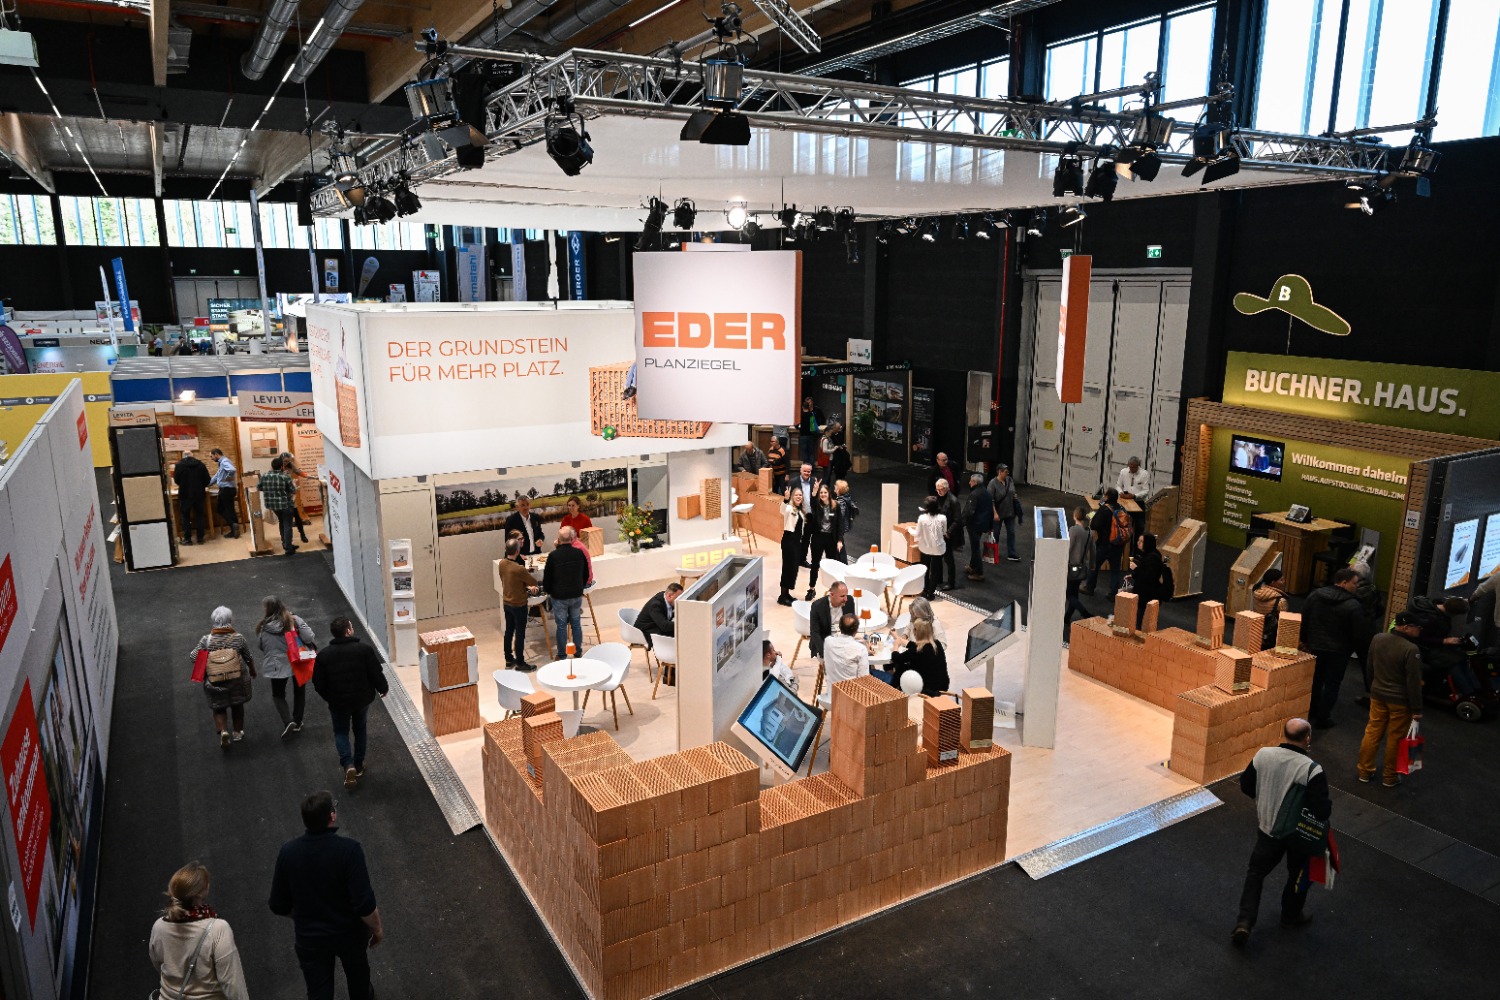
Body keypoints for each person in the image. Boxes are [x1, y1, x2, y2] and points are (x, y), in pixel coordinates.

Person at [269, 791, 383, 1000]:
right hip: (349, 935)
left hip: (310, 938)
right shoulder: (349, 850)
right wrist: (377, 929)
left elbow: (277, 904)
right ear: (332, 816)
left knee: (319, 991)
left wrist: (303, 916)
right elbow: (364, 905)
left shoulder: (289, 852)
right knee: (359, 981)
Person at [1232, 718, 1330, 947]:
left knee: (1255, 874)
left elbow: (1246, 786)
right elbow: (1321, 809)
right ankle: (1290, 916)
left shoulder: (1263, 755)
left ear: (1284, 734)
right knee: (1298, 874)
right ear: (1307, 738)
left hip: (1266, 830)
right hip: (1299, 837)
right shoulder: (1311, 770)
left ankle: (1244, 922)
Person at [149, 861, 249, 1000]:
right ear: (201, 892)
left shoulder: (159, 926)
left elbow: (159, 964)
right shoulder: (218, 929)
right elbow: (232, 984)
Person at [311, 617, 389, 790]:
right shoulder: (364, 650)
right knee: (360, 729)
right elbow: (376, 672)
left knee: (340, 732)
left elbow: (317, 682)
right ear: (348, 631)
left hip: (338, 703)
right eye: (351, 627)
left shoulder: (324, 655)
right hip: (361, 700)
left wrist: (329, 697)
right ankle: (359, 764)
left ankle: (348, 764)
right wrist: (383, 688)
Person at [1357, 612, 1424, 787]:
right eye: (1418, 627)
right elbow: (1413, 682)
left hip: (1377, 694)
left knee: (1372, 731)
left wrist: (1372, 687)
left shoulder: (1378, 638)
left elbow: (1369, 666)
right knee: (1395, 738)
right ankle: (1390, 776)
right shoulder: (1411, 649)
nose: (1419, 631)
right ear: (1406, 627)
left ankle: (1364, 771)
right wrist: (1417, 709)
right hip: (1400, 701)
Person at [1301, 567, 1368, 728]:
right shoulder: (1353, 605)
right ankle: (1323, 718)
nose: (1356, 587)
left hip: (1315, 646)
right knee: (1332, 684)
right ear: (1344, 583)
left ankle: (1311, 711)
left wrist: (1304, 640)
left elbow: (1305, 618)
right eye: (1354, 583)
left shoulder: (1315, 595)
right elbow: (1358, 633)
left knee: (1315, 680)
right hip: (1339, 651)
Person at [191, 607, 256, 749]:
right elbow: (248, 657)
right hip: (237, 679)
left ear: (213, 622)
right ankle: (238, 732)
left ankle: (224, 731)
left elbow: (193, 657)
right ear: (230, 621)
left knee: (219, 707)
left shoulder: (206, 641)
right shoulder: (238, 638)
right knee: (237, 705)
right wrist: (252, 670)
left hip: (215, 680)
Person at [258, 596, 317, 739]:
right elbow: (309, 638)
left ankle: (287, 721)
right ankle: (297, 722)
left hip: (276, 664)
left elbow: (262, 646)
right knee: (299, 691)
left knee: (278, 694)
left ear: (267, 609)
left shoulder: (264, 626)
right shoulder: (295, 620)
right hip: (297, 660)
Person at [542, 526, 589, 655]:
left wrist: (549, 591)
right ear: (572, 538)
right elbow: (585, 573)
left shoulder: (553, 556)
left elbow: (547, 578)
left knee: (561, 626)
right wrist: (580, 587)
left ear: (559, 539)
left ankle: (562, 654)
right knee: (576, 624)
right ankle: (578, 651)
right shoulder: (579, 553)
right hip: (576, 594)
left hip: (559, 596)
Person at [497, 539, 540, 668]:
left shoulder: (502, 564)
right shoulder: (519, 569)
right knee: (520, 633)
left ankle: (509, 658)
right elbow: (533, 581)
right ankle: (521, 662)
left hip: (507, 602)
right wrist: (529, 586)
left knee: (509, 631)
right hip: (519, 604)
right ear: (517, 551)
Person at [1086, 489, 1130, 599]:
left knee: (1094, 565)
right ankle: (1113, 593)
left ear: (1107, 497)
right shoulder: (1122, 509)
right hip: (1118, 544)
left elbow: (1094, 526)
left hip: (1104, 544)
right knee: (1115, 570)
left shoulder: (1104, 510)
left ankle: (1089, 588)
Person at [805, 483, 846, 598]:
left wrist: (839, 540)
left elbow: (840, 524)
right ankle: (811, 589)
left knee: (832, 565)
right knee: (815, 564)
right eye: (821, 493)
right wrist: (814, 490)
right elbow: (812, 501)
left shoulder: (835, 506)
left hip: (831, 539)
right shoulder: (817, 505)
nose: (823, 494)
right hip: (818, 537)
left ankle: (833, 590)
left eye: (825, 493)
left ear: (829, 494)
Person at [890, 618, 949, 696]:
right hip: (942, 685)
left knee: (899, 667)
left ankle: (892, 692)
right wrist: (898, 638)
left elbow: (896, 658)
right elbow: (915, 645)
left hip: (926, 688)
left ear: (915, 632)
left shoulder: (917, 651)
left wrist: (895, 646)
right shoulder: (936, 644)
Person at [1129, 533, 1173, 628]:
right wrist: (1133, 576)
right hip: (1146, 594)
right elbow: (1144, 572)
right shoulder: (1149, 554)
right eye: (1138, 540)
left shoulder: (1152, 558)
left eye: (1141, 541)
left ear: (1147, 543)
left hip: (1147, 595)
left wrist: (1136, 569)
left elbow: (1149, 577)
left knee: (1142, 620)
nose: (1138, 543)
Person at [1064, 505, 1094, 642]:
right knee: (1074, 593)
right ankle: (1067, 618)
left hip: (1071, 568)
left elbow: (1067, 548)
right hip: (1082, 568)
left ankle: (1085, 613)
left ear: (1075, 516)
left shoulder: (1074, 530)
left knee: (1068, 594)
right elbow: (1093, 551)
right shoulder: (1090, 532)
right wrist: (1092, 566)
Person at [909, 496, 947, 600]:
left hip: (925, 548)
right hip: (938, 549)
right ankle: (931, 593)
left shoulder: (922, 518)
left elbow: (916, 533)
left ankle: (925, 590)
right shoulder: (943, 518)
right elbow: (944, 532)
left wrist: (909, 529)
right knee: (935, 572)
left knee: (925, 569)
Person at [259, 458, 299, 556]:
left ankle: (285, 544)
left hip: (273, 506)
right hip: (286, 505)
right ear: (282, 467)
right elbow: (293, 490)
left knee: (282, 522)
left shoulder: (265, 476)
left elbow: (259, 487)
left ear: (272, 466)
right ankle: (288, 548)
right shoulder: (285, 477)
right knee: (287, 525)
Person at [808, 582, 856, 662]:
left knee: (863, 655)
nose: (845, 599)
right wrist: (825, 653)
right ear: (832, 595)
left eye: (846, 595)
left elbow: (851, 625)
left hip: (844, 641)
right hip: (825, 643)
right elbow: (815, 632)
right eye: (842, 596)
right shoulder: (817, 606)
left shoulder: (849, 601)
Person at [822, 613, 871, 689]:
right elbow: (864, 680)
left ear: (840, 627)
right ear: (856, 630)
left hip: (832, 692)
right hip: (851, 696)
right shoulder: (861, 649)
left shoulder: (828, 641)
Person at [174, 450, 212, 546]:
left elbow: (176, 480)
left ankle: (187, 539)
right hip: (199, 494)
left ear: (183, 456)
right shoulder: (201, 465)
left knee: (185, 516)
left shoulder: (179, 465)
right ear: (193, 455)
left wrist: (183, 484)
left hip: (185, 494)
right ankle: (200, 538)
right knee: (199, 515)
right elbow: (207, 480)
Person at [985, 464, 1021, 562]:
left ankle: (1011, 553)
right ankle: (992, 553)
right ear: (999, 472)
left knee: (1011, 532)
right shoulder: (993, 483)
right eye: (1005, 472)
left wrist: (1014, 496)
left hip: (1010, 512)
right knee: (996, 533)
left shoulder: (1009, 480)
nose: (1007, 473)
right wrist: (995, 513)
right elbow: (990, 500)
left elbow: (1013, 491)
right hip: (998, 514)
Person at [963, 473, 994, 582]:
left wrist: (961, 523)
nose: (969, 483)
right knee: (975, 545)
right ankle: (972, 566)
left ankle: (979, 572)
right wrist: (990, 526)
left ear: (975, 482)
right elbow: (990, 511)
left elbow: (969, 511)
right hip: (983, 524)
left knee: (975, 548)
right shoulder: (987, 493)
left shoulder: (974, 494)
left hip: (974, 525)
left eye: (971, 481)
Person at [777, 488, 806, 606]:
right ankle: (782, 596)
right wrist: (785, 499)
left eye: (800, 495)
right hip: (789, 540)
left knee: (793, 568)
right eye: (796, 495)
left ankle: (787, 593)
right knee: (788, 568)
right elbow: (782, 510)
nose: (799, 497)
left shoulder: (800, 510)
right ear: (792, 497)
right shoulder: (789, 508)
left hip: (796, 542)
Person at [933, 477, 963, 590]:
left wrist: (949, 532)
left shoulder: (953, 501)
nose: (939, 492)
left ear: (946, 488)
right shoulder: (938, 497)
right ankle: (939, 579)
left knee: (948, 559)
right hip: (940, 532)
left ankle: (951, 582)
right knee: (938, 556)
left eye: (941, 489)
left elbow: (958, 520)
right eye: (937, 489)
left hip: (948, 534)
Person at [278, 452, 313, 545]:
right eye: (285, 461)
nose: (286, 463)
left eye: (288, 461)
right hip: (281, 495)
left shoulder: (290, 465)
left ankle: (302, 534)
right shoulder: (276, 466)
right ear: (281, 459)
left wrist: (307, 476)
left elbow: (298, 471)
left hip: (290, 495)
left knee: (297, 516)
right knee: (283, 520)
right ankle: (284, 540)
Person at [636, 582, 681, 651]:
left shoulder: (666, 598)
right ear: (669, 596)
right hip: (645, 631)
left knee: (680, 632)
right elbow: (664, 626)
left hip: (657, 626)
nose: (680, 601)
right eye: (679, 598)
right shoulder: (655, 605)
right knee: (679, 634)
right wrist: (682, 624)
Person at [791, 463, 820, 567]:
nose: (807, 473)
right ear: (800, 470)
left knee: (807, 539)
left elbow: (817, 500)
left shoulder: (814, 482)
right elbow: (790, 499)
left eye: (809, 471)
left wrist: (816, 492)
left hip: (811, 516)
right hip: (799, 515)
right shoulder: (793, 482)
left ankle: (802, 560)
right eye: (805, 471)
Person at [208, 448, 240, 539]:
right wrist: (207, 483)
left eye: (212, 456)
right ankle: (234, 527)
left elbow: (232, 470)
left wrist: (227, 478)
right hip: (228, 489)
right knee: (230, 509)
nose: (211, 458)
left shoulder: (224, 461)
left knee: (220, 509)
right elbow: (217, 476)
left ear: (216, 454)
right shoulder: (222, 463)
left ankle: (233, 525)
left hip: (226, 489)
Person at [1253, 569, 1289, 649]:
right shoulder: (1280, 601)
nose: (1284, 581)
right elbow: (1283, 622)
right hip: (1271, 636)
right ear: (1273, 582)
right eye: (1281, 580)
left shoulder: (1257, 593)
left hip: (1256, 632)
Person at [797, 397, 822, 465]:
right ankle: (811, 467)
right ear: (808, 407)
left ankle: (805, 466)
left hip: (803, 435)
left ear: (802, 407)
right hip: (811, 435)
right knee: (811, 452)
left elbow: (796, 425)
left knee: (804, 452)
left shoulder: (800, 415)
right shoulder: (811, 414)